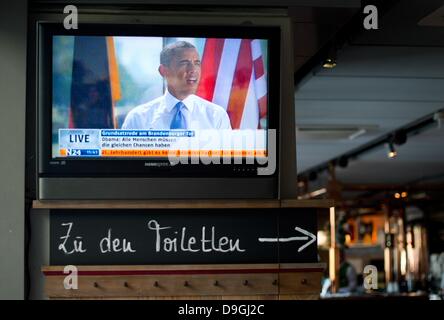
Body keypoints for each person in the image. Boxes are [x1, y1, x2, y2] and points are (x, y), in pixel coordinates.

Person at [122, 41, 232, 130]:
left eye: (197, 63)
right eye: (184, 63)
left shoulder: (216, 116)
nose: (193, 70)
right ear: (164, 71)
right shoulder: (138, 118)